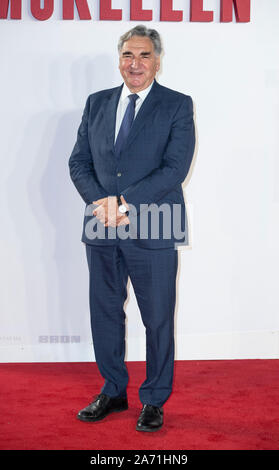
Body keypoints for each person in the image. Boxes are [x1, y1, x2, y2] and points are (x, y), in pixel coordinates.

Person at [68, 25, 195, 432]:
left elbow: (174, 168)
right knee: (104, 312)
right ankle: (113, 389)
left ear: (157, 60)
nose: (134, 63)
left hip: (155, 224)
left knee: (157, 317)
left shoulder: (177, 105)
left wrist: (124, 202)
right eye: (127, 55)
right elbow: (79, 162)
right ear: (118, 59)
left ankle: (154, 399)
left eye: (143, 56)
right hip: (101, 223)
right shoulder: (96, 103)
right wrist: (101, 203)